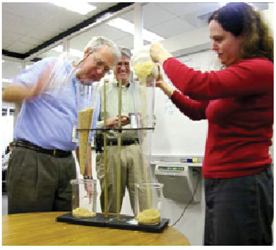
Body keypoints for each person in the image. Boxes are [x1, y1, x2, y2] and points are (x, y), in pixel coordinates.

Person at [149, 2, 273, 246]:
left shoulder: (261, 69)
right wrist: (164, 86)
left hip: (242, 182)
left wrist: (164, 56)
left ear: (245, 35)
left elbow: (198, 85)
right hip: (220, 180)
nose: (213, 46)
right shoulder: (235, 75)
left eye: (219, 39)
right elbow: (198, 110)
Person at [2, 36, 121, 214]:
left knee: (64, 224)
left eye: (106, 70)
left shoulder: (93, 96)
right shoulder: (53, 68)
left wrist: (87, 177)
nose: (99, 72)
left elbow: (84, 141)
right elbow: (6, 93)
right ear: (87, 53)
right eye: (98, 63)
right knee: (29, 228)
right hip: (32, 159)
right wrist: (33, 91)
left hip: (66, 164)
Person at [95, 47, 147, 214]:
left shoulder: (139, 90)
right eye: (118, 64)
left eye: (126, 64)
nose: (123, 68)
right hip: (110, 150)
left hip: (135, 149)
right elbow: (87, 125)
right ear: (112, 67)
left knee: (142, 203)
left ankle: (143, 238)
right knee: (111, 206)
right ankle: (110, 238)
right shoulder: (100, 90)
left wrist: (142, 120)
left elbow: (152, 120)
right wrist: (107, 123)